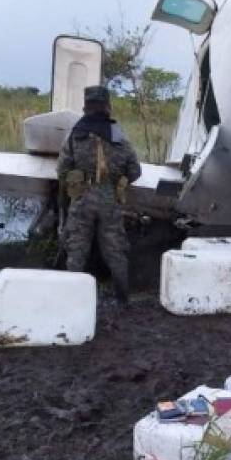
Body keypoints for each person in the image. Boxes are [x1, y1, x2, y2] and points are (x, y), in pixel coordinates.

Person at [57, 85, 142, 304]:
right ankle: (123, 301)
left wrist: (75, 185)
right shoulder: (118, 134)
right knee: (116, 252)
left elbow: (62, 170)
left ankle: (71, 301)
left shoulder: (76, 133)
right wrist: (117, 183)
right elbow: (135, 171)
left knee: (76, 252)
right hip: (109, 200)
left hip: (82, 199)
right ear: (108, 107)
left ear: (85, 107)